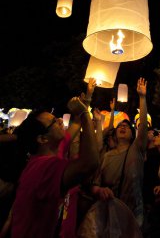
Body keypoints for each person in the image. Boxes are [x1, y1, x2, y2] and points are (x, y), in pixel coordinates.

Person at [10, 94, 99, 238]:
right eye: (53, 122)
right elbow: (90, 163)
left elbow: (76, 124)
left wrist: (86, 101)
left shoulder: (51, 153)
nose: (59, 120)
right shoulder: (45, 168)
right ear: (43, 139)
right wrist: (84, 113)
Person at [90, 77, 148, 229]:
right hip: (108, 214)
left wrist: (142, 98)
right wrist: (100, 191)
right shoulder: (106, 157)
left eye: (127, 127)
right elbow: (94, 185)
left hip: (133, 214)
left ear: (132, 134)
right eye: (120, 126)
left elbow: (142, 129)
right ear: (114, 134)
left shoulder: (136, 150)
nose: (123, 127)